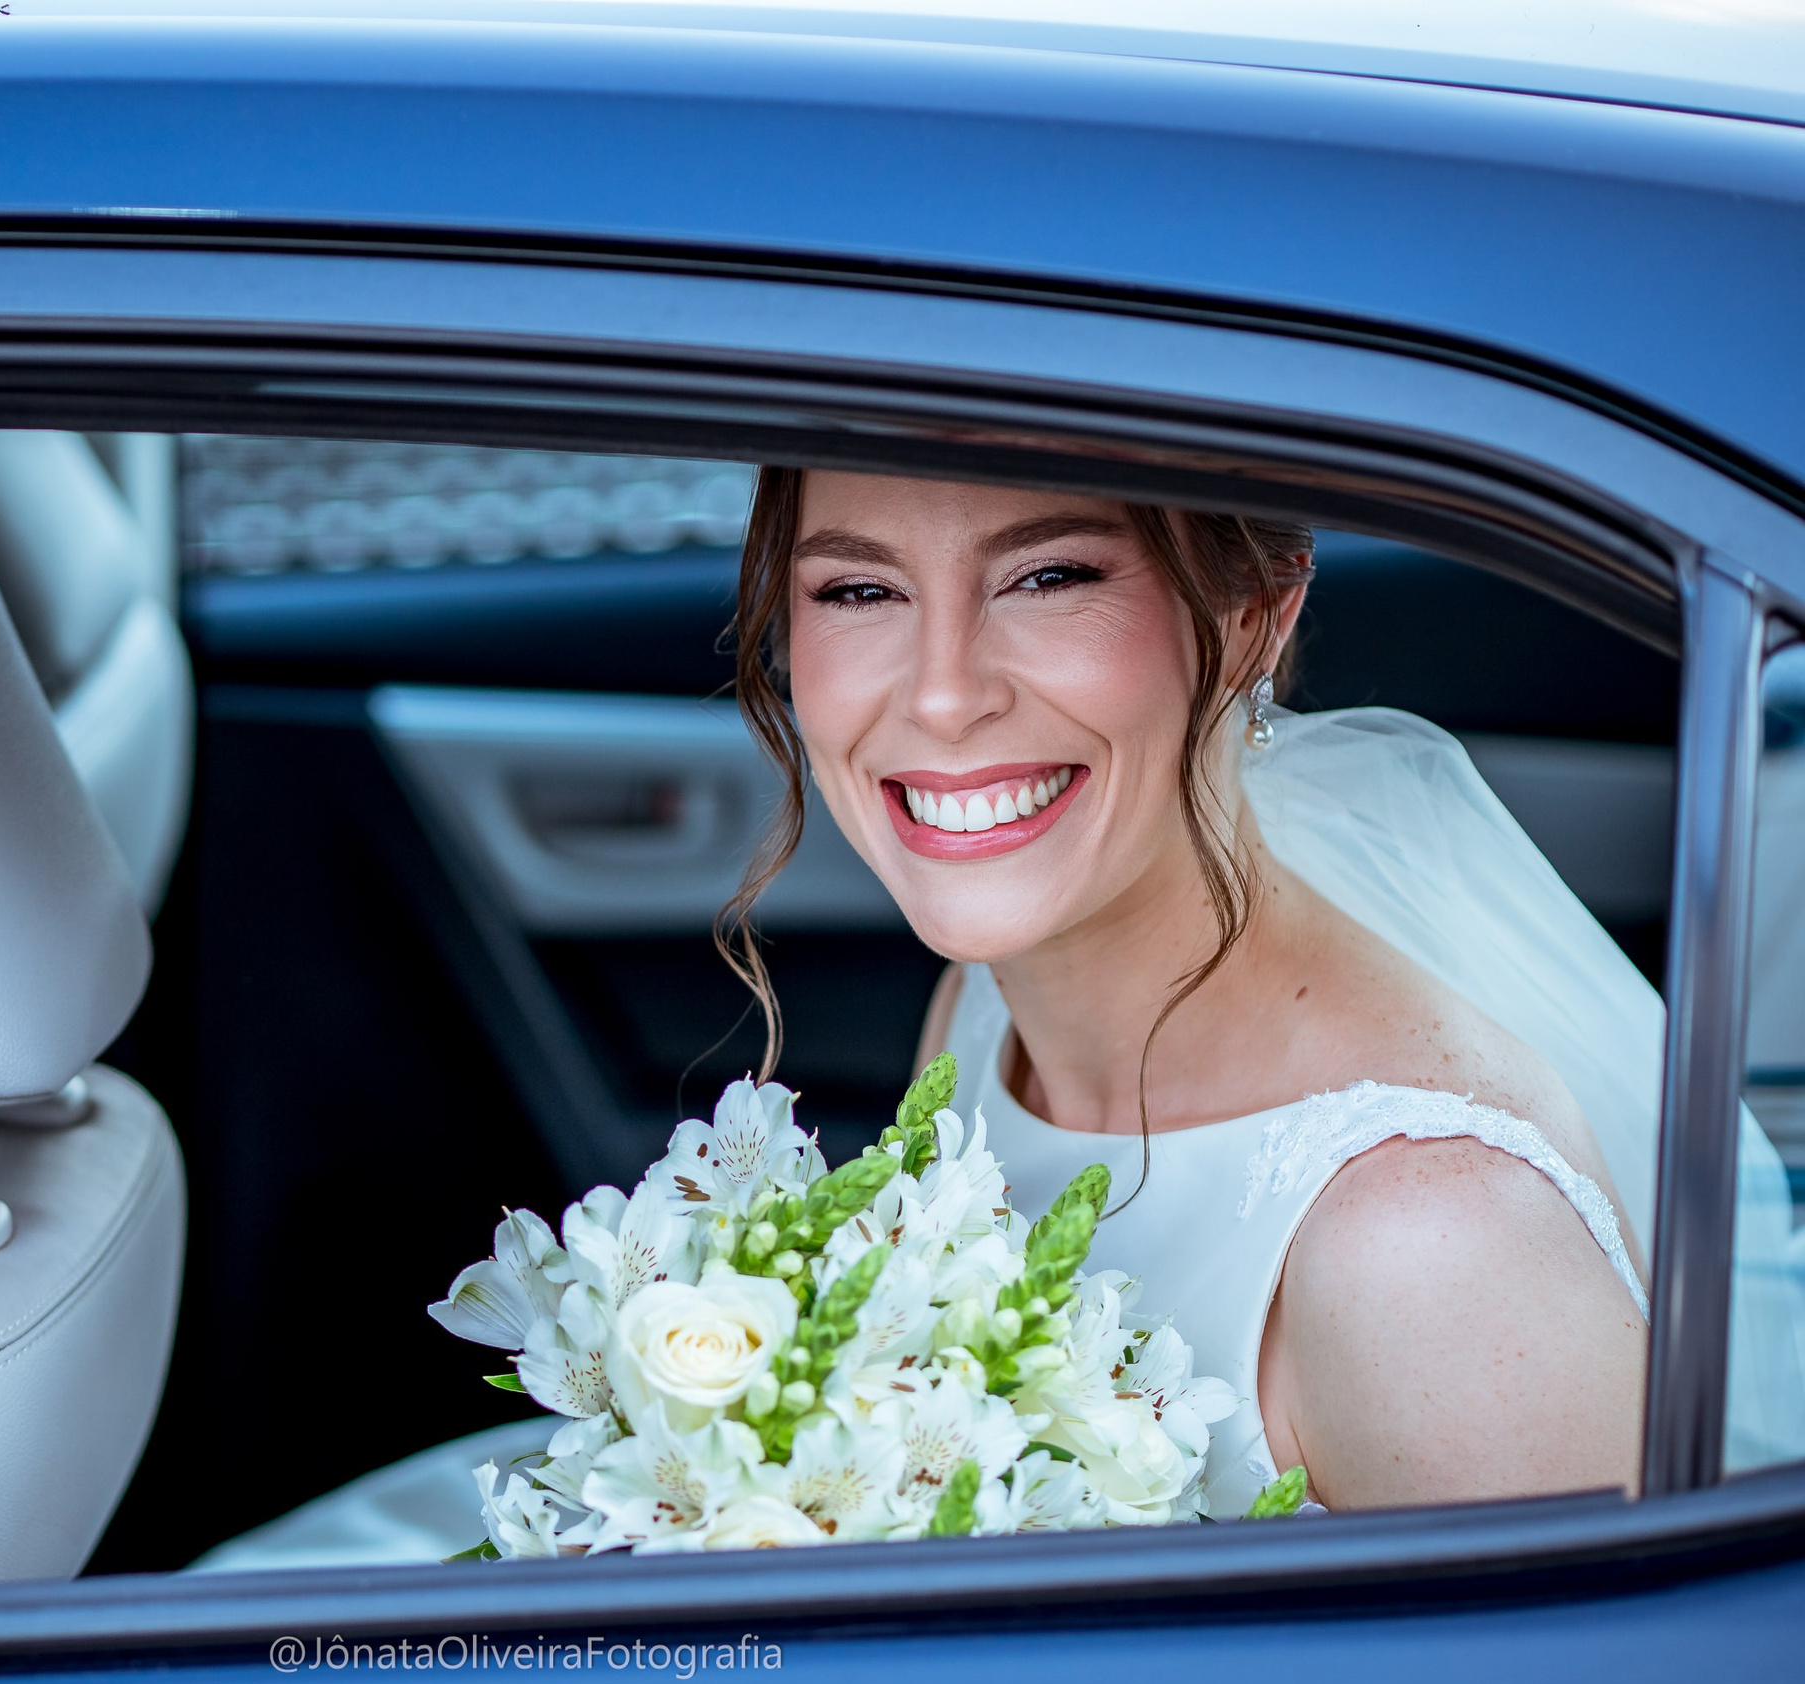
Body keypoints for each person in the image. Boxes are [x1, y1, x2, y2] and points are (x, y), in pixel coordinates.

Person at [194, 469, 1723, 1570]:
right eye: (858, 589)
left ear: (1257, 610)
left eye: (1050, 576)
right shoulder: (987, 991)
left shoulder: (1431, 1245)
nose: (938, 695)